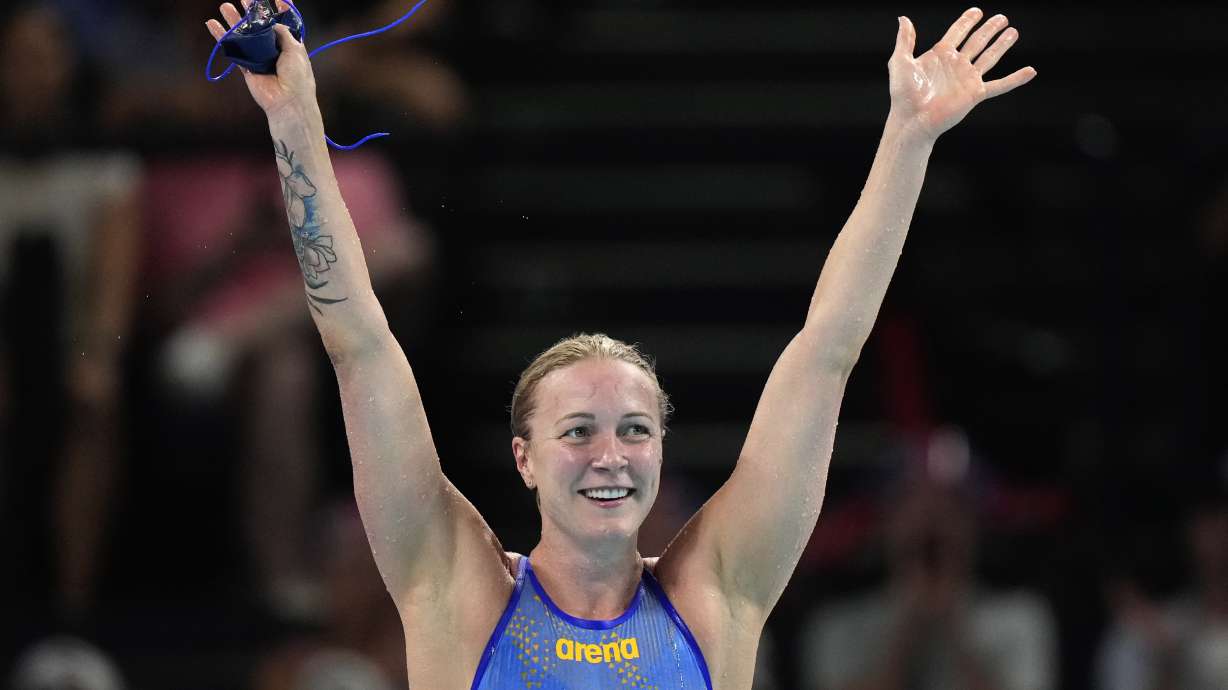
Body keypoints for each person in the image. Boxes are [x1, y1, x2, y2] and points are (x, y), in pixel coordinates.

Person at [204, 3, 1035, 686]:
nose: (612, 454)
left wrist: (908, 140)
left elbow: (828, 349)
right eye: (579, 431)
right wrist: (296, 123)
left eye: (635, 429)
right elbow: (360, 345)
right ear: (523, 457)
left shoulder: (719, 591)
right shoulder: (454, 591)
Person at [800, 472, 1057, 690]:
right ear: (885, 526)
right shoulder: (837, 625)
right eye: (911, 502)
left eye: (949, 505)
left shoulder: (1021, 616)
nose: (931, 518)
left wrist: (952, 626)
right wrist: (906, 633)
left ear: (973, 526)